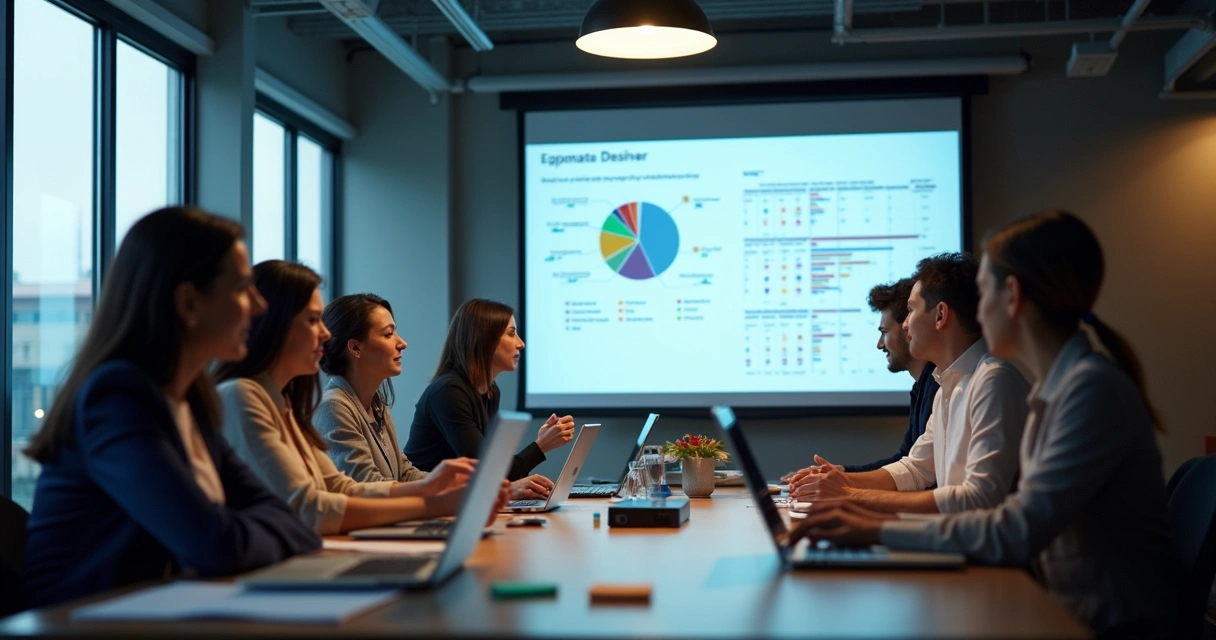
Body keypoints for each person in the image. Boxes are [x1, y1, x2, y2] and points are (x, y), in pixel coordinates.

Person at [790, 211, 1178, 637]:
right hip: (1071, 611)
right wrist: (860, 508)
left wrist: (874, 524)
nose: (976, 309)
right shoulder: (1057, 386)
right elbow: (990, 508)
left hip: (1108, 625)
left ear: (1010, 296)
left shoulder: (1087, 391)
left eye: (983, 292)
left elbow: (1015, 528)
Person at [22, 208, 320, 609]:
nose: (259, 305)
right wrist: (241, 533)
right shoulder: (116, 399)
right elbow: (213, 545)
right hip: (82, 626)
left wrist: (237, 532)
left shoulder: (189, 402)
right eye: (241, 287)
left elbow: (286, 520)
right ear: (189, 303)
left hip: (153, 615)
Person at [215, 262, 504, 535]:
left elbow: (342, 487)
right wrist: (432, 502)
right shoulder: (248, 396)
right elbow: (309, 508)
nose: (326, 333)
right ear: (276, 325)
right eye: (313, 320)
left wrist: (435, 487)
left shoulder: (287, 405)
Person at [790, 253, 1029, 514]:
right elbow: (915, 469)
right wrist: (840, 481)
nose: (905, 324)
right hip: (958, 540)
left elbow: (978, 499)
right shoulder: (947, 385)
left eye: (912, 310)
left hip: (984, 552)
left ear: (940, 315)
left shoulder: (993, 382)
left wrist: (850, 494)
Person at [404, 299, 574, 500]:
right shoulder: (449, 391)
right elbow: (486, 472)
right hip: (428, 504)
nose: (521, 343)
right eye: (511, 333)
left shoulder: (491, 391)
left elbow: (493, 471)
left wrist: (539, 447)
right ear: (485, 339)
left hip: (457, 503)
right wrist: (540, 446)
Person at [782, 278, 940, 481]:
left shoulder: (939, 385)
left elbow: (920, 477)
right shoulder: (923, 386)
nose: (879, 345)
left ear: (907, 328)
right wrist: (842, 472)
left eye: (884, 333)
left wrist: (845, 484)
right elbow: (905, 460)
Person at [315, 293, 461, 486]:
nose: (402, 343)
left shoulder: (376, 402)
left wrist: (456, 484)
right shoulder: (333, 406)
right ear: (355, 348)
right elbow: (369, 486)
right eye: (388, 334)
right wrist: (439, 490)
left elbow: (402, 473)